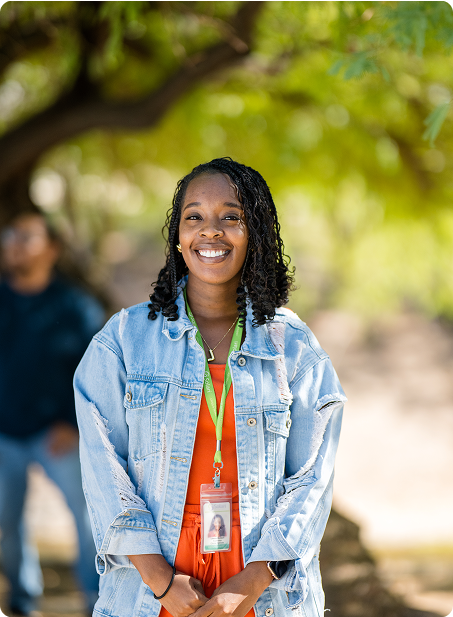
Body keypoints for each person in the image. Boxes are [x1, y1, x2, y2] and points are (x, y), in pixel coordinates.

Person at [74, 158, 346, 617]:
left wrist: (248, 585)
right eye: (194, 216)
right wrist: (161, 583)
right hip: (151, 591)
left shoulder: (294, 348)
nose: (210, 231)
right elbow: (102, 468)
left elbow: (312, 481)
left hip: (265, 594)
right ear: (178, 237)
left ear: (254, 232)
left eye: (231, 217)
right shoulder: (124, 340)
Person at [0, 212, 104, 616]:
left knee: (86, 517)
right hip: (5, 434)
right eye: (9, 234)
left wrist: (71, 421)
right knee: (7, 526)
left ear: (52, 249)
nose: (14, 243)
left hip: (59, 434)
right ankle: (24, 602)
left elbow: (98, 370)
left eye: (26, 236)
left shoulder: (75, 306)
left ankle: (98, 600)